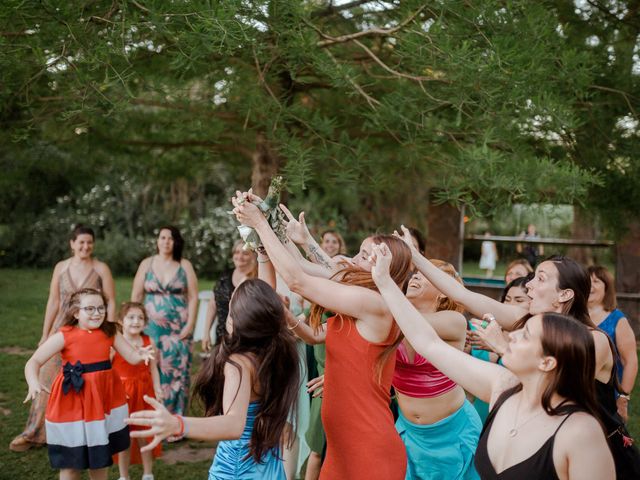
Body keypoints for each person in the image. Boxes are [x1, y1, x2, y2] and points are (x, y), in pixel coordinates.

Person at [369, 242, 615, 480]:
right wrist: (389, 276)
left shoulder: (580, 431)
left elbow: (561, 379)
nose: (514, 334)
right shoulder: (504, 386)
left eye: (525, 335)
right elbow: (429, 340)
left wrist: (502, 346)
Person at [231, 192, 412, 480]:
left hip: (370, 451)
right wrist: (275, 224)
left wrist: (261, 225)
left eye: (365, 256)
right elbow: (315, 333)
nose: (353, 258)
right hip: (340, 448)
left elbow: (297, 280)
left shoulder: (375, 304)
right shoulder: (358, 300)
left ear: (386, 269)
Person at [125, 279, 300, 480]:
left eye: (231, 306)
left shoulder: (240, 363)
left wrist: (178, 424)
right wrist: (262, 254)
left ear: (240, 318)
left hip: (237, 468)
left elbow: (234, 424)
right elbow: (263, 295)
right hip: (268, 463)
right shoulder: (277, 352)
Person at [23, 288, 154, 480]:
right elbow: (33, 361)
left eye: (101, 308)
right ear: (76, 313)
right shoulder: (64, 335)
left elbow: (131, 356)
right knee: (71, 462)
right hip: (72, 402)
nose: (97, 313)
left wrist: (141, 354)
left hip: (102, 401)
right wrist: (33, 382)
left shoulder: (110, 331)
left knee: (100, 458)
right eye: (90, 308)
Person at [10, 224, 116, 452]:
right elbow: (54, 301)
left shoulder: (101, 269)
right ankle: (33, 433)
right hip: (61, 329)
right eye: (81, 242)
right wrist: (44, 333)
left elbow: (110, 302)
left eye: (89, 242)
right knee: (45, 377)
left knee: (85, 381)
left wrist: (109, 332)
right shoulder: (61, 267)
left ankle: (78, 430)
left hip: (90, 332)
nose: (85, 246)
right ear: (72, 244)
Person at [394, 261, 482, 479]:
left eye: (425, 275)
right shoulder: (393, 320)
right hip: (410, 433)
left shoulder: (454, 321)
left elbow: (408, 324)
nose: (415, 277)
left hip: (452, 434)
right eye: (415, 273)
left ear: (444, 293)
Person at [131, 226, 198, 429]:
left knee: (175, 372)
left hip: (178, 328)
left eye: (170, 238)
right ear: (157, 241)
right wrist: (133, 325)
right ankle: (151, 419)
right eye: (162, 237)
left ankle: (174, 422)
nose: (166, 241)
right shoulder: (146, 264)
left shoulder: (184, 265)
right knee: (152, 370)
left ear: (176, 242)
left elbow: (194, 296)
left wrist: (190, 324)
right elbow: (136, 297)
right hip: (150, 328)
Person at [113, 302, 162, 480]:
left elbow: (154, 368)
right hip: (123, 395)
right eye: (131, 317)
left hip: (144, 394)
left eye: (140, 318)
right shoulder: (116, 344)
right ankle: (123, 476)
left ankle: (148, 474)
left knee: (145, 435)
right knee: (124, 437)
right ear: (120, 321)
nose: (136, 321)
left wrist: (157, 388)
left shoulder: (149, 342)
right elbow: (109, 370)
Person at [588, 265, 638, 422]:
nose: (590, 285)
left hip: (607, 393)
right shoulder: (573, 315)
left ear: (607, 287)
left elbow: (630, 361)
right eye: (586, 281)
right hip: (576, 388)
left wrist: (623, 397)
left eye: (596, 281)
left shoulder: (617, 319)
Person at [201, 240, 257, 351]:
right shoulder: (224, 276)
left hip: (245, 339)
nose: (239, 256)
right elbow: (213, 304)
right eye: (236, 252)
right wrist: (206, 332)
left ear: (253, 257)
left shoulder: (256, 279)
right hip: (221, 336)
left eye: (245, 253)